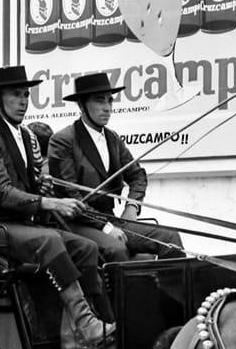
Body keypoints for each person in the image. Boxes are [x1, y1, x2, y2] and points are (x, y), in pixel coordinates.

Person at [0, 65, 113, 349]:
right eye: (15, 95)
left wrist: (42, 189)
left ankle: (99, 323)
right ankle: (86, 325)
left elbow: (29, 186)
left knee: (85, 246)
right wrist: (49, 203)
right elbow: (0, 191)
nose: (23, 101)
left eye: (26, 95)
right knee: (50, 240)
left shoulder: (26, 136)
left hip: (22, 224)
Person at [49, 73, 185, 262]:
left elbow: (137, 175)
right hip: (77, 222)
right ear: (81, 105)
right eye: (99, 101)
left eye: (109, 101)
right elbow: (70, 194)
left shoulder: (112, 139)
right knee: (116, 249)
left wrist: (132, 206)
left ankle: (169, 291)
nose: (107, 108)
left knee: (170, 238)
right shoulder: (64, 140)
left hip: (110, 218)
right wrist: (106, 227)